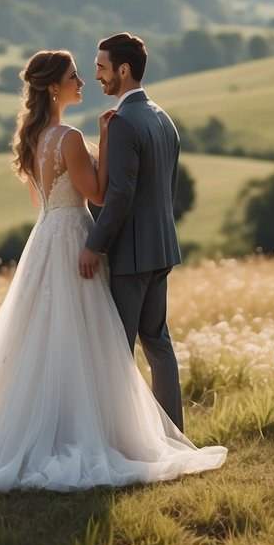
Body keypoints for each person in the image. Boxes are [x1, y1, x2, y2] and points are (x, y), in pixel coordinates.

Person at [0, 49, 225, 491]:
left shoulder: (33, 139)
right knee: (88, 342)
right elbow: (101, 195)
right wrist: (103, 141)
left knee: (46, 338)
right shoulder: (67, 137)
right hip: (74, 239)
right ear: (53, 87)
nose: (83, 80)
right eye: (74, 76)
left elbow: (41, 199)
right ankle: (98, 431)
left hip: (47, 234)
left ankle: (57, 425)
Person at [78, 33, 186, 430]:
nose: (96, 76)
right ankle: (173, 434)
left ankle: (121, 442)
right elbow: (165, 190)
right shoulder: (162, 117)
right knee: (158, 343)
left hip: (131, 255)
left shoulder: (124, 122)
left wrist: (94, 243)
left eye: (102, 68)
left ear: (123, 70)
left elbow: (119, 194)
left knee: (117, 351)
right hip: (161, 248)